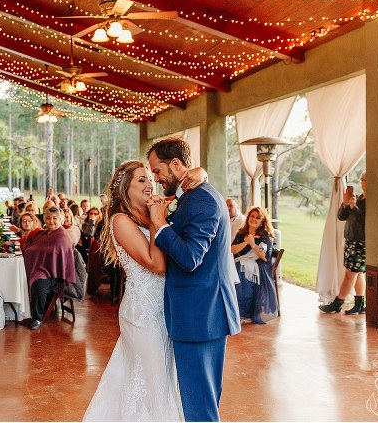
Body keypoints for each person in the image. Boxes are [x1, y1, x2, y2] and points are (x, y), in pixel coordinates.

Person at [84, 161, 187, 421]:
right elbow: (157, 264)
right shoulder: (120, 220)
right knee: (156, 380)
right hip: (142, 313)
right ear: (125, 188)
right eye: (141, 180)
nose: (150, 184)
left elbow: (187, 186)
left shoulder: (151, 213)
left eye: (150, 179)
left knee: (155, 375)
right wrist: (158, 219)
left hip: (163, 307)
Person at [147, 137, 240, 422]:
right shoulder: (191, 194)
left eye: (158, 170)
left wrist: (161, 224)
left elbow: (189, 258)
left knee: (200, 409)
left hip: (200, 316)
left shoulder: (201, 200)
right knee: (199, 402)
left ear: (175, 164)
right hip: (198, 314)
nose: (156, 178)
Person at [320, 172, 367, 315]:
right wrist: (346, 204)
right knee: (357, 274)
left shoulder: (372, 201)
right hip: (351, 240)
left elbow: (365, 220)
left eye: (367, 180)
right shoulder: (358, 198)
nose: (364, 182)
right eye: (362, 180)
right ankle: (359, 304)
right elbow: (341, 217)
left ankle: (337, 303)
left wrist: (354, 208)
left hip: (361, 242)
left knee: (350, 274)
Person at [22, 206, 76, 330]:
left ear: (61, 219)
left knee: (39, 283)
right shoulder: (44, 233)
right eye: (48, 218)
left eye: (54, 218)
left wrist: (32, 251)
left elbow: (46, 252)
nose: (51, 221)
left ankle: (37, 317)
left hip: (55, 273)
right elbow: (32, 244)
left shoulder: (62, 236)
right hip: (41, 267)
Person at [231, 206, 278, 324]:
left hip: (260, 266)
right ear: (248, 217)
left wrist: (252, 244)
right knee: (234, 269)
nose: (254, 219)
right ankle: (234, 310)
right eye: (252, 216)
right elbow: (232, 250)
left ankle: (244, 313)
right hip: (242, 263)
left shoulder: (264, 235)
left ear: (262, 221)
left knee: (241, 272)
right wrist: (246, 241)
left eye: (258, 218)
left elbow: (265, 257)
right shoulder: (242, 233)